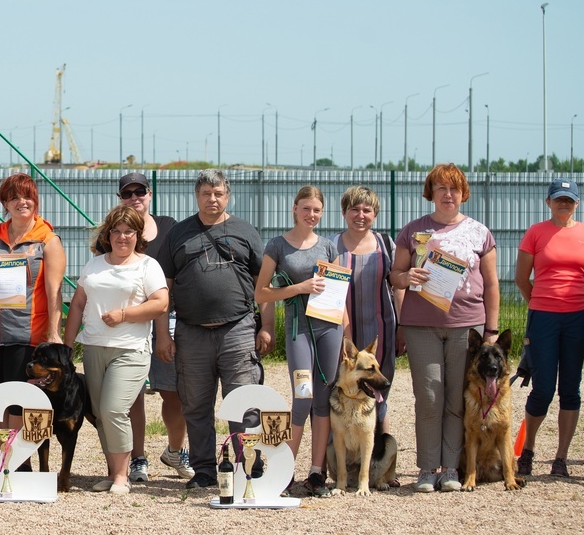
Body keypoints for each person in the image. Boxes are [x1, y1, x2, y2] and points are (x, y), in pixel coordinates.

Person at [156, 169, 272, 488]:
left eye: (218, 193)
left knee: (243, 400)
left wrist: (267, 326)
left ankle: (246, 466)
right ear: (196, 196)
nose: (212, 199)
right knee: (196, 405)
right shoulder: (178, 234)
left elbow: (264, 285)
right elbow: (163, 289)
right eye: (206, 193)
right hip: (191, 332)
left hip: (238, 329)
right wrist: (164, 333)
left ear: (227, 195)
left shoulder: (246, 232)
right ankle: (205, 469)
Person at [390, 163, 500, 493]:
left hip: (467, 327)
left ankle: (450, 467)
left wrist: (491, 331)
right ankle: (426, 468)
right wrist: (406, 278)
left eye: (454, 188)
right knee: (428, 397)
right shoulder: (414, 231)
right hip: (421, 325)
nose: (448, 194)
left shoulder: (480, 233)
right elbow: (394, 275)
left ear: (463, 193)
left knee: (456, 399)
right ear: (431, 193)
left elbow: (492, 285)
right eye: (441, 188)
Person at [64, 206, 169, 494]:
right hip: (95, 346)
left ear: (138, 236)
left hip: (130, 349)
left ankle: (122, 476)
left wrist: (125, 314)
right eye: (117, 231)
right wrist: (68, 343)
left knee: (113, 409)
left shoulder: (148, 266)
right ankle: (112, 472)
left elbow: (160, 303)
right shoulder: (95, 264)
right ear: (108, 235)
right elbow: (77, 304)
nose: (123, 237)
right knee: (99, 413)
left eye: (129, 232)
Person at [97, 172, 192, 483]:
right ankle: (137, 459)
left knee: (173, 392)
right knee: (131, 397)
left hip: (167, 317)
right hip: (126, 322)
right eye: (128, 193)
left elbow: (178, 274)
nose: (135, 197)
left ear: (150, 194)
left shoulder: (170, 228)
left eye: (140, 191)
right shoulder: (113, 229)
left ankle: (176, 451)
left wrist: (164, 330)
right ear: (120, 197)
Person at [0, 172, 65, 453]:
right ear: (5, 203)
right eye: (15, 197)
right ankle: (5, 461)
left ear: (36, 201)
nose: (23, 202)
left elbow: (55, 291)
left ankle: (24, 459)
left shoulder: (48, 240)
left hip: (27, 334)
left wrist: (54, 333)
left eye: (28, 196)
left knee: (22, 401)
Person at [254, 185, 341, 496]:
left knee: (324, 399)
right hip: (298, 331)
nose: (312, 215)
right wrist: (300, 288)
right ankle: (284, 470)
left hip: (329, 329)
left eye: (317, 210)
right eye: (306, 209)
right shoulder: (277, 246)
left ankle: (316, 472)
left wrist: (347, 336)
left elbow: (340, 295)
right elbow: (261, 293)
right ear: (294, 209)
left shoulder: (329, 248)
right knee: (302, 396)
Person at [515, 178, 584, 479]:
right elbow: (522, 278)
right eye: (559, 198)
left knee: (570, 390)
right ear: (548, 202)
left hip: (578, 317)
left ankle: (561, 458)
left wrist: (572, 300)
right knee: (543, 388)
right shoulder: (536, 233)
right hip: (544, 318)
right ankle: (528, 450)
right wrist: (539, 301)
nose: (564, 204)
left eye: (569, 199)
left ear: (577, 203)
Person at [332, 186, 404, 445]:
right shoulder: (331, 245)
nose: (360, 215)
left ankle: (380, 456)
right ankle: (341, 459)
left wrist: (402, 326)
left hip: (381, 331)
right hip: (342, 334)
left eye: (367, 210)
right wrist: (345, 337)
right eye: (354, 209)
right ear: (344, 212)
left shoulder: (386, 244)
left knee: (379, 390)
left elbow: (398, 286)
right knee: (343, 392)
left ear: (375, 214)